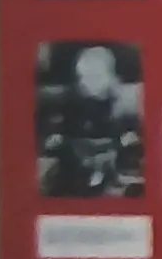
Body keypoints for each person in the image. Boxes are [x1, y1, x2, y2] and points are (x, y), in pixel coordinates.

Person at [37, 44, 142, 197]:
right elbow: (64, 124)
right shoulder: (73, 101)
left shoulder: (117, 103)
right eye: (85, 77)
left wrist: (128, 135)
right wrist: (57, 136)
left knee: (113, 163)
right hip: (79, 148)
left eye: (97, 77)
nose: (90, 83)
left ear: (110, 77)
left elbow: (127, 127)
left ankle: (101, 178)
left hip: (109, 149)